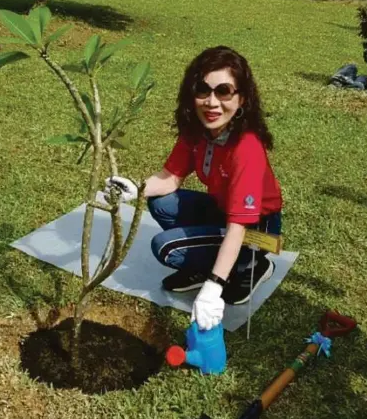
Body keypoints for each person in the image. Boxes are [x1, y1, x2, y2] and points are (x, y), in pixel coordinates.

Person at [105, 46, 282, 331]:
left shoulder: (246, 147)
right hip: (222, 211)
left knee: (166, 248)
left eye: (224, 91)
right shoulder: (197, 132)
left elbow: (238, 226)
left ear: (242, 100)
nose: (212, 102)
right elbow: (170, 177)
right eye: (203, 90)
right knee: (160, 202)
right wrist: (135, 189)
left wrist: (213, 288)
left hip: (257, 228)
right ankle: (207, 263)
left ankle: (252, 265)